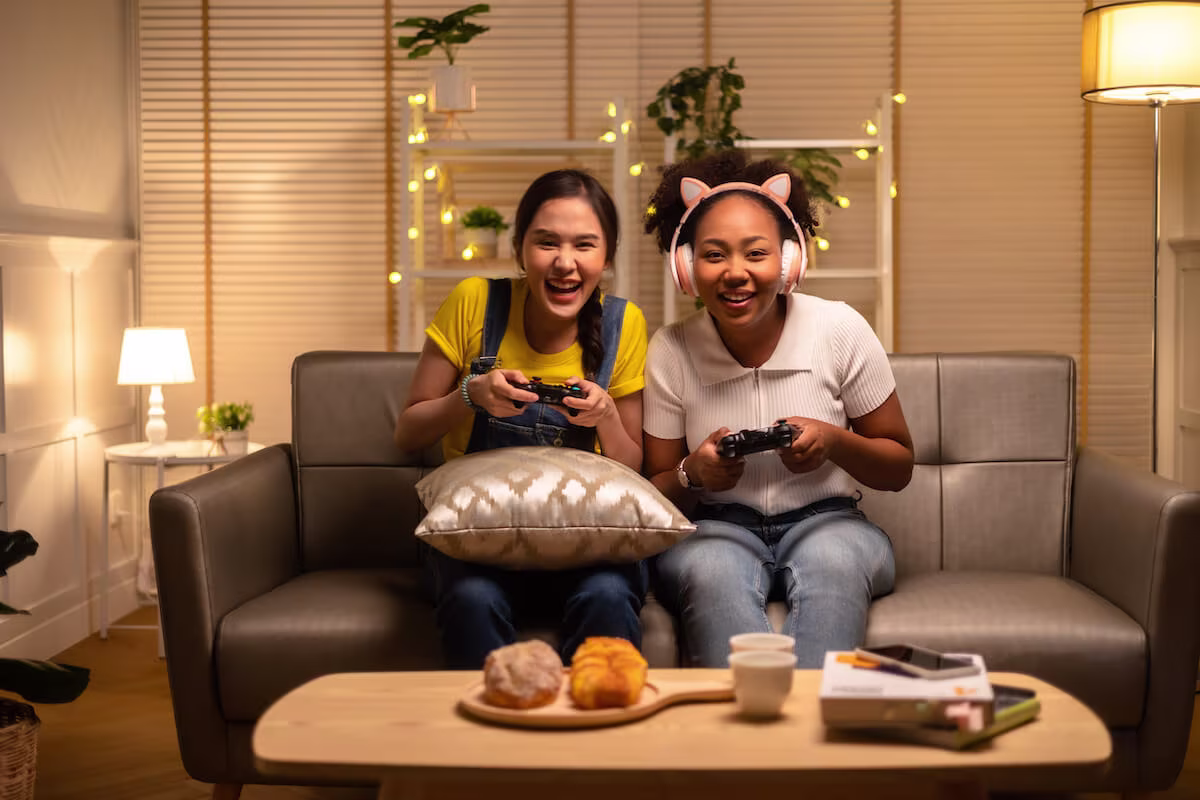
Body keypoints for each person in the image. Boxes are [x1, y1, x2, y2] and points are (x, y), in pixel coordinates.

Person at [641, 150, 914, 668]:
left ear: (789, 260)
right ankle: (745, 740)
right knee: (710, 571)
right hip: (718, 528)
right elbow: (654, 489)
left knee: (832, 563)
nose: (735, 273)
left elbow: (898, 465)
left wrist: (834, 440)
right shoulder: (671, 349)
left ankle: (807, 738)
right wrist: (692, 472)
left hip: (831, 523)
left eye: (756, 254)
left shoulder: (839, 329)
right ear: (686, 265)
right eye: (714, 255)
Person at [394, 168, 649, 670]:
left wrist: (606, 416)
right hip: (477, 543)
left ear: (608, 256)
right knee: (471, 600)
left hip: (587, 543)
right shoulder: (475, 301)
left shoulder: (626, 323)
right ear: (519, 250)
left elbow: (633, 465)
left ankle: (593, 735)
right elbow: (407, 433)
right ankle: (495, 740)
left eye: (585, 245)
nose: (565, 263)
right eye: (546, 242)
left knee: (609, 596)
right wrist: (470, 395)